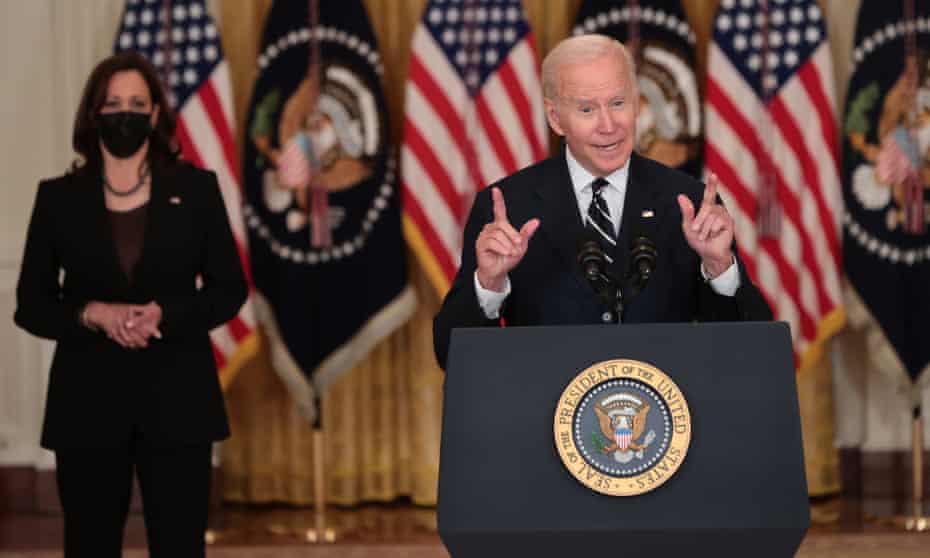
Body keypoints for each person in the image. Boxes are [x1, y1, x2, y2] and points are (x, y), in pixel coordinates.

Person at [13, 52, 247, 556]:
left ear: (157, 114)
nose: (125, 113)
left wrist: (168, 311)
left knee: (180, 545)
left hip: (178, 399)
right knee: (90, 544)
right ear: (93, 114)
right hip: (87, 403)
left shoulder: (196, 190)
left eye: (137, 103)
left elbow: (230, 289)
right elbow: (30, 303)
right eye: (113, 103)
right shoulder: (58, 198)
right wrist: (90, 312)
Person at [433, 35, 772, 369]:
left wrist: (719, 267)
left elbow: (755, 349)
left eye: (618, 103)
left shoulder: (689, 202)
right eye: (587, 109)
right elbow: (450, 353)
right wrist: (489, 284)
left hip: (665, 415)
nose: (608, 126)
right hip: (546, 417)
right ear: (555, 118)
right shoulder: (509, 208)